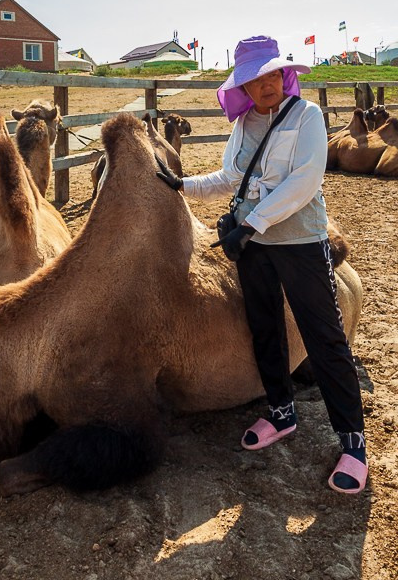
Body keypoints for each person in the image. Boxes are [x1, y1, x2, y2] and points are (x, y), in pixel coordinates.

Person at [155, 35, 368, 494]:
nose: (266, 84)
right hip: (253, 245)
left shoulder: (307, 116)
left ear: (284, 75)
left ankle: (353, 443)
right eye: (255, 79)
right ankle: (281, 411)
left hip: (300, 241)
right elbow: (230, 177)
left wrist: (252, 222)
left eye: (272, 74)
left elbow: (305, 181)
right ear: (244, 87)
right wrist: (181, 185)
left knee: (324, 336)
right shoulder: (244, 124)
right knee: (264, 327)